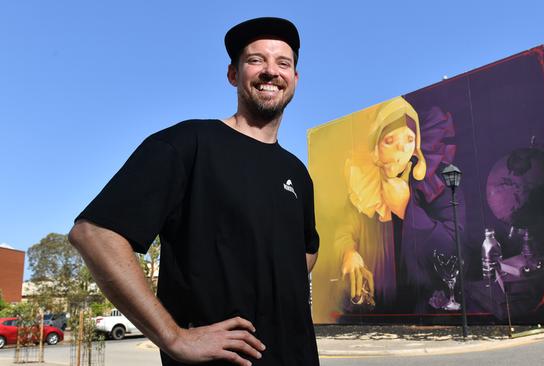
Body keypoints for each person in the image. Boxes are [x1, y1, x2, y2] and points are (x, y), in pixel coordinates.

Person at [68, 17, 320, 366]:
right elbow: (94, 233)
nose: (270, 71)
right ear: (233, 74)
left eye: (283, 63)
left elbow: (307, 250)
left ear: (294, 79)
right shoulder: (188, 144)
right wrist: (173, 337)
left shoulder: (297, 173)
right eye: (255, 60)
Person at [334, 97, 463, 315]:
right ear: (376, 148)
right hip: (372, 308)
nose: (401, 148)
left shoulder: (437, 181)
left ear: (417, 148)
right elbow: (344, 228)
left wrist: (406, 208)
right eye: (390, 140)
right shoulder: (363, 187)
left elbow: (454, 247)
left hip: (425, 305)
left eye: (409, 139)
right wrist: (348, 252)